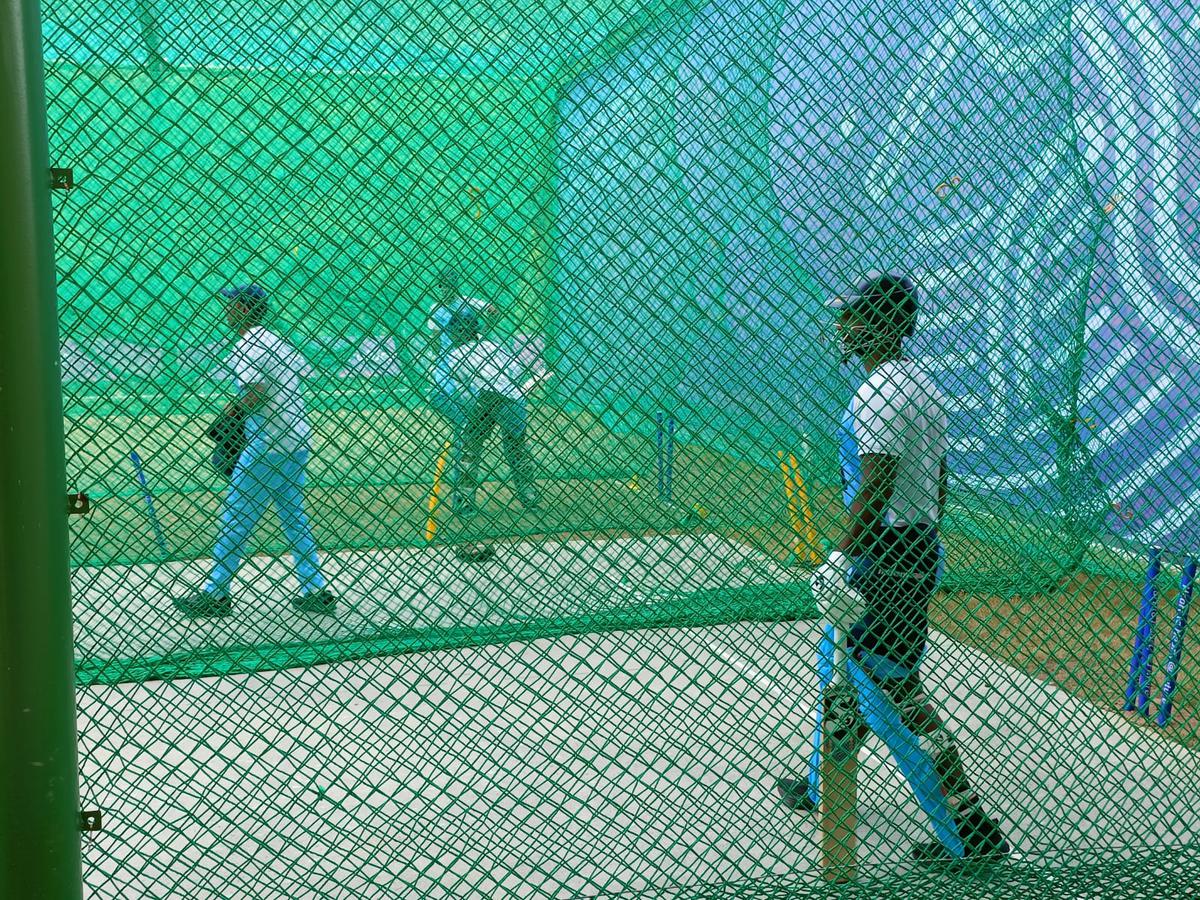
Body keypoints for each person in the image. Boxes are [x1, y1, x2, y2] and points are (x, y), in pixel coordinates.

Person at [775, 272, 1008, 865]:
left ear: (881, 325)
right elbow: (939, 480)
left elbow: (876, 483)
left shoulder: (880, 394)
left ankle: (969, 834)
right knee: (836, 667)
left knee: (889, 697)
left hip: (882, 557)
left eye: (851, 316)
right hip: (911, 547)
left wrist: (841, 553)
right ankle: (824, 783)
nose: (842, 327)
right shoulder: (922, 386)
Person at [175, 284, 335, 617]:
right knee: (294, 516)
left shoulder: (249, 345)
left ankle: (216, 594)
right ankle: (314, 589)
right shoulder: (278, 341)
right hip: (296, 441)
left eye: (231, 304)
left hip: (267, 446)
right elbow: (300, 374)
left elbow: (257, 392)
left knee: (236, 516)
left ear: (245, 309)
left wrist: (229, 415)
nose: (226, 310)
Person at [444, 308, 549, 514]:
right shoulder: (493, 345)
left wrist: (466, 417)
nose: (452, 334)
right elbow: (514, 370)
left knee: (468, 449)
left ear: (461, 331)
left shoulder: (456, 354)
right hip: (513, 399)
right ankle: (530, 499)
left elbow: (465, 391)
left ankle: (464, 504)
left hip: (485, 399)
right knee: (518, 450)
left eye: (455, 330)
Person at [425, 268, 498, 483]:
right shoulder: (436, 309)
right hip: (447, 370)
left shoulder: (468, 302)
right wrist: (436, 360)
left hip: (471, 369)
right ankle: (465, 423)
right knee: (445, 403)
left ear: (456, 285)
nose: (445, 289)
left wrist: (491, 317)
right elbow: (435, 340)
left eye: (448, 284)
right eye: (441, 285)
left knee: (467, 432)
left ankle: (467, 426)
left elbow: (491, 312)